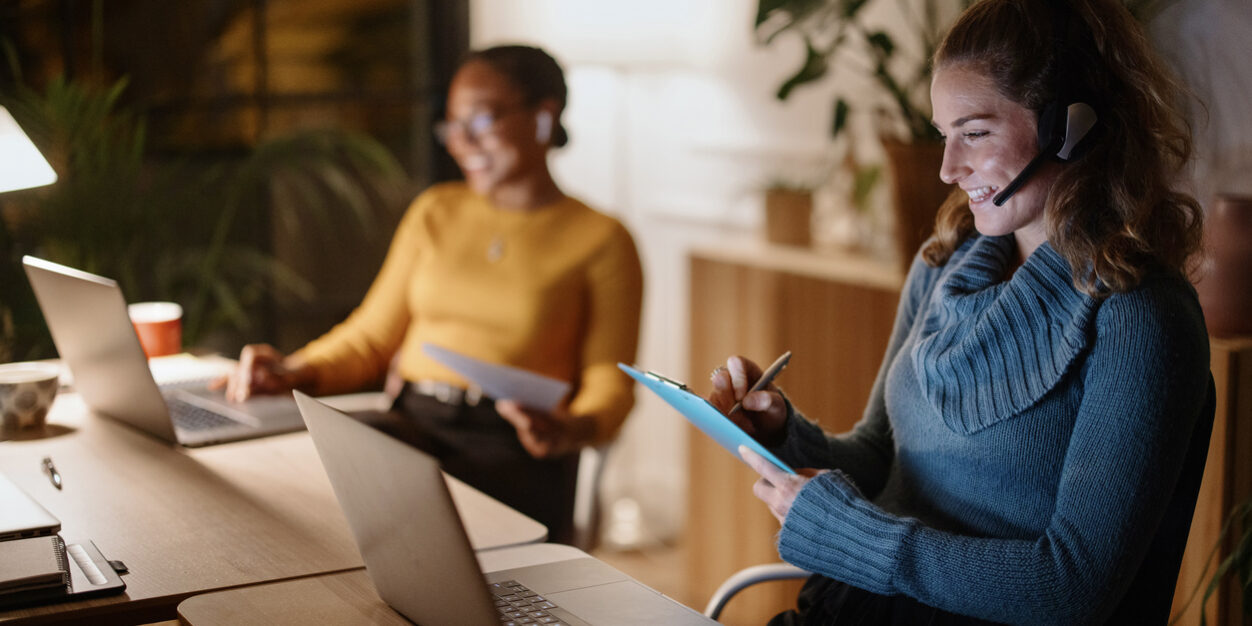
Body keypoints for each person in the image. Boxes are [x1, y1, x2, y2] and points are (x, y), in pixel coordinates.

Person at [708, 0, 1213, 623]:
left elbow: (1071, 587)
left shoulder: (1141, 317)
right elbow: (881, 458)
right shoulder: (944, 260)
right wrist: (781, 433)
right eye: (945, 134)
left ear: (1070, 128)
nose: (949, 168)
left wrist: (858, 535)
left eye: (974, 133)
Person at [217, 45, 644, 544]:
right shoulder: (436, 211)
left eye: (480, 120)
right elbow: (371, 337)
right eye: (453, 125)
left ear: (543, 116)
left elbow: (608, 380)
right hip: (415, 425)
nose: (461, 141)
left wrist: (572, 427)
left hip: (516, 448)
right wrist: (294, 370)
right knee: (292, 478)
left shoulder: (601, 238)